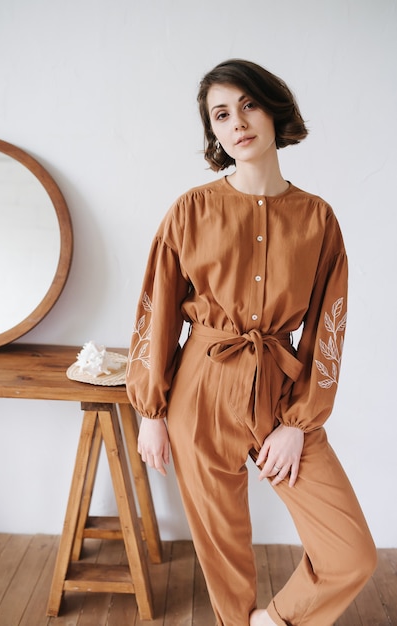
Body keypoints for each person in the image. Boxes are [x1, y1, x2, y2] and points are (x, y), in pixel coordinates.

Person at [126, 59, 376, 626]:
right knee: (226, 560)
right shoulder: (191, 211)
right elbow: (155, 312)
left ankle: (274, 621)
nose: (237, 121)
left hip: (283, 393)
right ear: (213, 132)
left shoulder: (318, 219)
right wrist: (151, 411)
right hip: (200, 389)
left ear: (272, 110)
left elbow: (327, 329)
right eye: (221, 113)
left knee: (351, 553)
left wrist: (298, 423)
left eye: (249, 105)